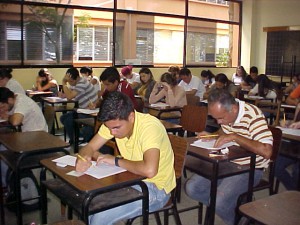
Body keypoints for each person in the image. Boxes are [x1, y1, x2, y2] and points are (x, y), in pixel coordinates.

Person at [75, 91, 176, 225]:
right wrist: (83, 158)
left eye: (116, 128)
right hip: (130, 179)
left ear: (131, 117)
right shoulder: (114, 122)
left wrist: (116, 161)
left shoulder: (150, 127)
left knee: (99, 217)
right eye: (109, 128)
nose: (112, 133)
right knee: (89, 204)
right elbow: (90, 147)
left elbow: (150, 170)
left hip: (156, 189)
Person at [185, 88, 273, 225]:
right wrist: (213, 135)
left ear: (233, 109)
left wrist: (235, 137)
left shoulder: (253, 116)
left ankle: (237, 216)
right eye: (215, 118)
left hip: (250, 168)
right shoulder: (228, 115)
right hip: (227, 162)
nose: (218, 122)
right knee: (192, 188)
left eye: (220, 118)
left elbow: (267, 151)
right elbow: (223, 130)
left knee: (219, 202)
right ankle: (238, 211)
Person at [0, 87, 48, 186]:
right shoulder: (13, 99)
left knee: (2, 150)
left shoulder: (22, 102)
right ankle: (9, 186)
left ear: (9, 100)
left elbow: (15, 121)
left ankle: (7, 187)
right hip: (26, 136)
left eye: (2, 107)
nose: (2, 110)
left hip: (38, 139)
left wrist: (8, 116)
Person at [59, 67, 98, 145]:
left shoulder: (82, 83)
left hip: (90, 111)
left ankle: (75, 140)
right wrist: (63, 95)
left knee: (68, 120)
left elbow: (70, 96)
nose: (69, 83)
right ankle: (78, 137)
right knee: (63, 118)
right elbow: (69, 94)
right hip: (83, 110)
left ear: (76, 78)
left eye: (70, 81)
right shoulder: (75, 83)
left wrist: (64, 83)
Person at [275, 104, 300, 190]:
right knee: (276, 166)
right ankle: (294, 192)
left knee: (297, 172)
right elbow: (295, 121)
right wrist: (287, 122)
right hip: (294, 145)